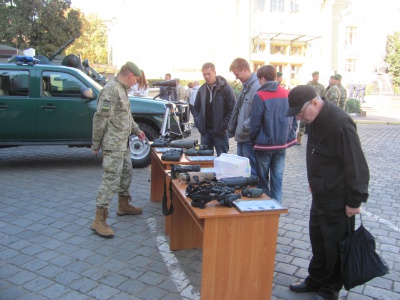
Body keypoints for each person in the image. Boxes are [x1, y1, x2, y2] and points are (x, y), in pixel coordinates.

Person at [286, 85, 369, 300]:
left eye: (300, 113)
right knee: (319, 240)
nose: (300, 118)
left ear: (314, 103)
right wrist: (313, 180)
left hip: (337, 197)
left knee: (334, 246)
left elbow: (357, 165)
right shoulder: (315, 119)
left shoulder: (340, 123)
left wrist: (354, 200)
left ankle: (329, 289)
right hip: (321, 193)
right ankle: (315, 279)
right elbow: (315, 152)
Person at [91, 61, 146, 238]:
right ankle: (99, 219)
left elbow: (126, 117)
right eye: (136, 78)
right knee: (110, 179)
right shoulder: (111, 90)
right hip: (113, 145)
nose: (136, 82)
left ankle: (123, 205)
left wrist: (137, 130)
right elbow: (101, 118)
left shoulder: (122, 90)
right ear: (130, 75)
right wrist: (95, 143)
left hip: (123, 144)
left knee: (126, 174)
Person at [249, 65, 298, 203]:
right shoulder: (287, 93)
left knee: (263, 180)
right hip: (282, 144)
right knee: (278, 178)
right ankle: (277, 205)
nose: (258, 83)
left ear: (263, 78)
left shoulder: (260, 95)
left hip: (264, 145)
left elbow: (254, 124)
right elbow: (294, 120)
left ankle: (266, 208)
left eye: (259, 80)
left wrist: (253, 140)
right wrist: (290, 135)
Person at [191, 62, 236, 156]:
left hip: (220, 132)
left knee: (223, 159)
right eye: (204, 74)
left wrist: (224, 125)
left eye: (209, 74)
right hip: (205, 132)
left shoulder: (226, 89)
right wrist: (198, 122)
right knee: (205, 159)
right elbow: (195, 108)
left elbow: (232, 109)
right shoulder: (202, 89)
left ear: (214, 72)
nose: (206, 76)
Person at [228, 58, 260, 176]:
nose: (236, 78)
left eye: (237, 74)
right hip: (242, 136)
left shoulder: (256, 87)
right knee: (242, 172)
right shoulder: (247, 85)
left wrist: (244, 128)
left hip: (248, 137)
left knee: (251, 173)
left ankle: (254, 193)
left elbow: (256, 115)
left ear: (245, 70)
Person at [300, 71, 325, 145]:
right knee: (303, 122)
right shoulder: (308, 85)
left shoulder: (321, 86)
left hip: (317, 107)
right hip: (308, 106)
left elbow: (323, 97)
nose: (316, 78)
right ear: (312, 77)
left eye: (318, 76)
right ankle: (300, 136)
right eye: (315, 76)